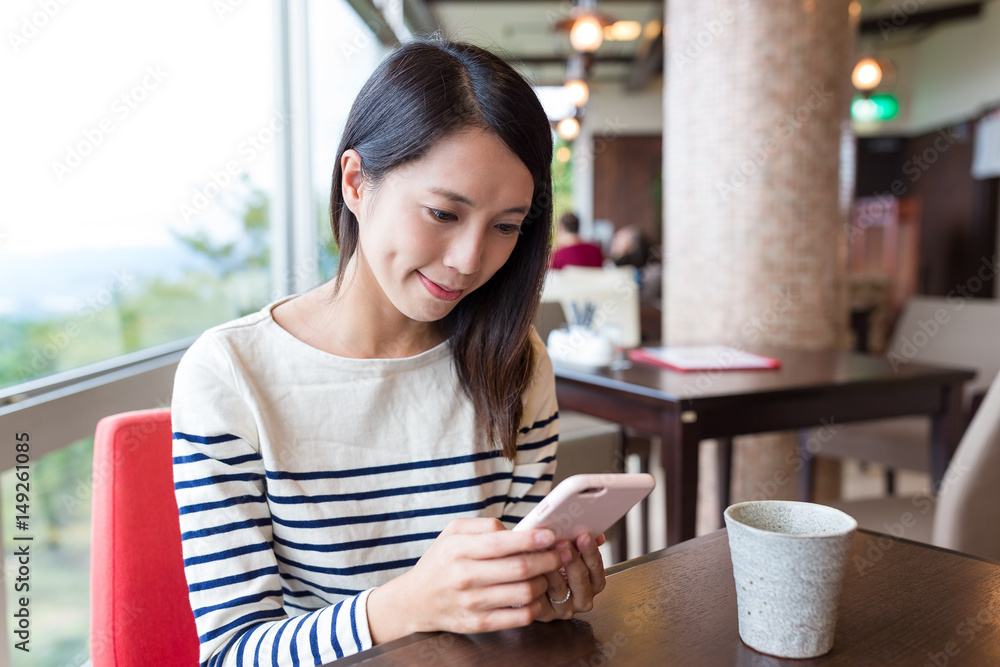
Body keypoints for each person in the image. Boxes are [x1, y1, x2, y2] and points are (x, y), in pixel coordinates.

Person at [171, 39, 606, 666]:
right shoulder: (231, 376)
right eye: (442, 212)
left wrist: (543, 590)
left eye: (506, 226)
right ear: (356, 182)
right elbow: (230, 655)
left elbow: (506, 602)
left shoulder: (515, 360)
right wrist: (404, 606)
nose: (468, 260)